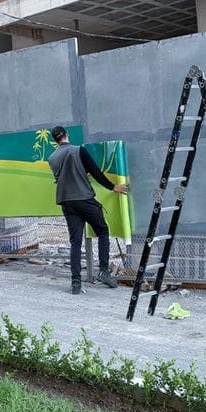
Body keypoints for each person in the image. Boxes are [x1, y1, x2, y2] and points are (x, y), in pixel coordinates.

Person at [48, 126, 129, 294]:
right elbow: (96, 172)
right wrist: (113, 187)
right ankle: (104, 271)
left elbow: (64, 177)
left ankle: (76, 283)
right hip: (84, 199)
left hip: (66, 202)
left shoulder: (52, 158)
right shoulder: (79, 150)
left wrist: (82, 174)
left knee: (75, 243)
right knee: (103, 231)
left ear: (55, 140)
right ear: (67, 134)